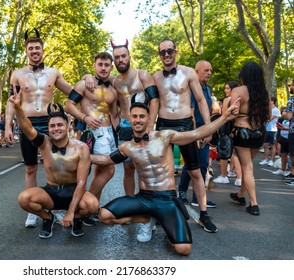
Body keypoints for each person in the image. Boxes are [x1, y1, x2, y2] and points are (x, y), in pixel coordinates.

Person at [91, 101, 239, 256]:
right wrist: (84, 155)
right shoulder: (127, 147)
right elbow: (106, 160)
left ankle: (166, 226)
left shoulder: (165, 137)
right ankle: (144, 219)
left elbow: (198, 133)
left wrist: (225, 117)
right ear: (130, 119)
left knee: (184, 249)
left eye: (142, 116)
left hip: (166, 199)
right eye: (134, 116)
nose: (138, 119)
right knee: (104, 215)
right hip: (144, 197)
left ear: (149, 119)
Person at [4, 30, 78, 228]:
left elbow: (73, 92)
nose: (34, 51)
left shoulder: (53, 73)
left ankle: (61, 204)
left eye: (37, 48)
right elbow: (11, 102)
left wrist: (87, 79)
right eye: (31, 48)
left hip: (50, 123)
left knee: (57, 164)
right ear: (26, 51)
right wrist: (7, 127)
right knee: (30, 167)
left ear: (43, 51)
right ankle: (32, 212)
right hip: (26, 123)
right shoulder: (17, 74)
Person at [9, 92, 99, 238]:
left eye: (59, 125)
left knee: (93, 205)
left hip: (73, 191)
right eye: (52, 126)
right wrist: (18, 108)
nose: (55, 128)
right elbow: (27, 128)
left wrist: (70, 213)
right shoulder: (44, 143)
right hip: (51, 193)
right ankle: (47, 218)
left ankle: (77, 218)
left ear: (68, 125)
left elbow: (82, 183)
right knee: (24, 198)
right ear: (48, 128)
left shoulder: (81, 147)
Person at [152, 39, 217, 233]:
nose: (166, 55)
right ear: (159, 55)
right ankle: (162, 212)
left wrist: (208, 127)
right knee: (164, 173)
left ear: (175, 52)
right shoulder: (155, 77)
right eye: (162, 52)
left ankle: (204, 214)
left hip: (185, 126)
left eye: (169, 51)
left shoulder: (188, 72)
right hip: (163, 126)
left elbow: (200, 100)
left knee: (195, 171)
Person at [66, 52, 119, 214]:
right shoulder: (84, 85)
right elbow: (69, 104)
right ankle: (84, 205)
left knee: (100, 171)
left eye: (107, 65)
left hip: (109, 133)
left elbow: (115, 115)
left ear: (111, 67)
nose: (103, 68)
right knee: (109, 169)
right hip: (94, 132)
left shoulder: (113, 91)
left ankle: (92, 207)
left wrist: (118, 137)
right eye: (100, 65)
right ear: (94, 66)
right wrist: (85, 117)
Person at [110, 40, 159, 196]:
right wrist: (117, 125)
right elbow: (94, 76)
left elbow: (154, 100)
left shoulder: (142, 75)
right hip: (125, 125)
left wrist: (150, 124)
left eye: (123, 56)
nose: (120, 60)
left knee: (146, 166)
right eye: (116, 57)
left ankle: (149, 201)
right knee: (128, 167)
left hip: (143, 125)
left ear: (129, 57)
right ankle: (130, 202)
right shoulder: (113, 81)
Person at [176, 60, 217, 212]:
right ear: (196, 71)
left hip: (204, 131)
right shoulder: (192, 88)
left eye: (210, 70)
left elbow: (209, 110)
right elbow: (191, 112)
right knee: (192, 164)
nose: (209, 73)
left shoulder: (208, 89)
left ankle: (196, 197)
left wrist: (209, 130)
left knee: (203, 165)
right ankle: (182, 192)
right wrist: (195, 135)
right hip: (193, 132)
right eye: (206, 70)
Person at [229, 62, 270, 215]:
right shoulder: (263, 93)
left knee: (247, 168)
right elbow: (269, 116)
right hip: (259, 132)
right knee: (249, 167)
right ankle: (240, 195)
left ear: (243, 75)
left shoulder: (238, 90)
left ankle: (254, 204)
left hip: (242, 132)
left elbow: (232, 114)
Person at [213, 81, 242, 187]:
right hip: (237, 128)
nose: (225, 90)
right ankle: (239, 178)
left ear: (233, 89)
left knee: (224, 153)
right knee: (235, 154)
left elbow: (224, 116)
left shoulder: (227, 100)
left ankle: (224, 176)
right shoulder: (240, 100)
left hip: (226, 128)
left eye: (227, 88)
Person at [259, 96, 280, 166]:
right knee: (265, 145)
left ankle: (271, 160)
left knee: (272, 145)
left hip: (272, 130)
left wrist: (263, 117)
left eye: (269, 100)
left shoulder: (276, 110)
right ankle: (266, 159)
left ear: (272, 102)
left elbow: (269, 118)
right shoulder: (267, 109)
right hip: (266, 129)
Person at [282, 79, 294, 184]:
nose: (290, 87)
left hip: (293, 131)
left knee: (293, 153)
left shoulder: (292, 99)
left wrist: (284, 113)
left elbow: (289, 116)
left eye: (291, 85)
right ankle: (292, 172)